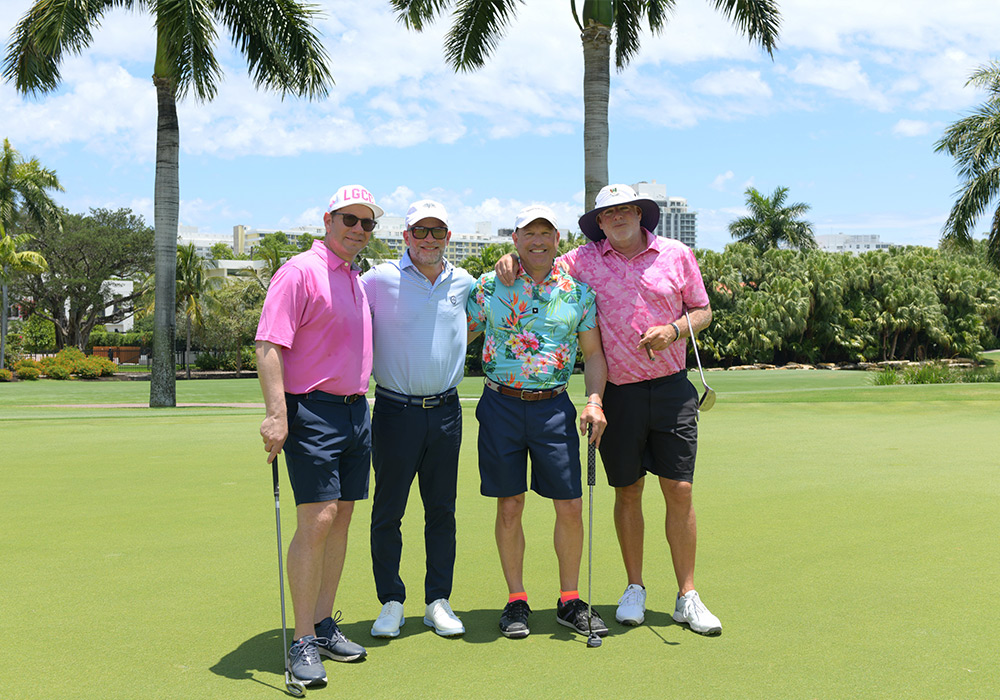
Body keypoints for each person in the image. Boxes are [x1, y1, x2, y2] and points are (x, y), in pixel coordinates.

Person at [496, 184, 721, 635]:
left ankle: (687, 594)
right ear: (598, 222)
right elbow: (539, 262)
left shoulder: (676, 253)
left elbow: (702, 310)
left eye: (624, 210)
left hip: (672, 389)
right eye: (607, 213)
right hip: (619, 393)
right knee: (629, 490)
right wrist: (512, 260)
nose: (617, 218)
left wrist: (675, 330)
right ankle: (634, 587)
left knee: (679, 490)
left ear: (640, 214)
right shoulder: (583, 259)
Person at [255, 184, 381, 687]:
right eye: (349, 219)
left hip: (355, 412)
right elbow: (268, 343)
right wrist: (277, 414)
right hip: (311, 411)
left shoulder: (354, 276)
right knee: (319, 518)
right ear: (328, 220)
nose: (357, 229)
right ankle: (302, 637)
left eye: (367, 223)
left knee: (343, 515)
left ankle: (325, 623)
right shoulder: (299, 271)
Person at [467, 204, 610, 640]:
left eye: (546, 233)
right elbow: (458, 334)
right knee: (509, 504)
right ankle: (516, 601)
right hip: (500, 406)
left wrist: (595, 400)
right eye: (529, 233)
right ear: (515, 239)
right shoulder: (489, 286)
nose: (537, 241)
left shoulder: (578, 293)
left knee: (569, 505)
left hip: (553, 408)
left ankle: (569, 599)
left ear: (558, 241)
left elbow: (593, 355)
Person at [360, 199, 475, 639]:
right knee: (388, 511)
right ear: (405, 236)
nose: (429, 240)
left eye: (438, 232)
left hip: (446, 413)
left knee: (441, 511)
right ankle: (391, 600)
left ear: (448, 237)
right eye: (420, 231)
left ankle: (437, 601)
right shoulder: (377, 279)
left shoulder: (462, 281)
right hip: (394, 411)